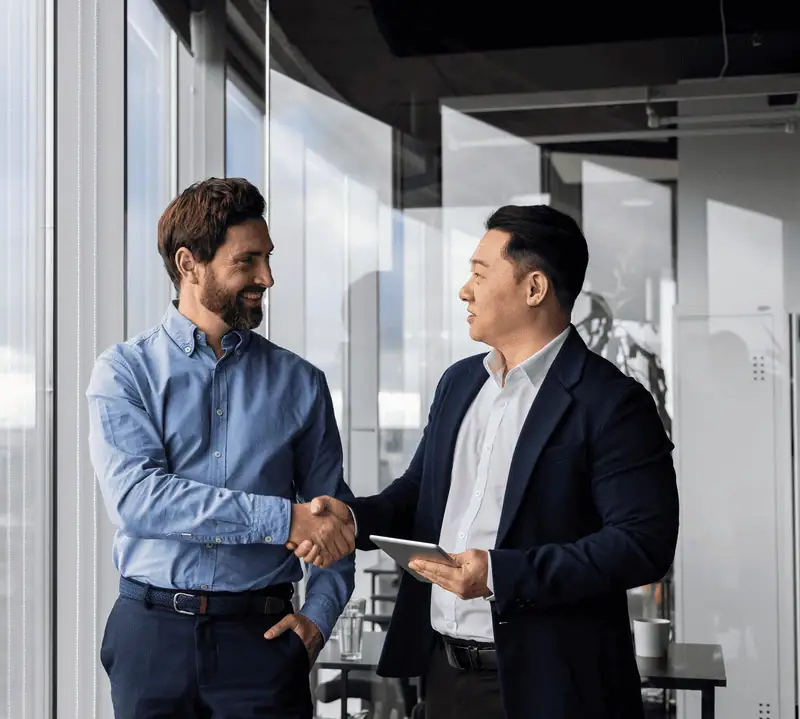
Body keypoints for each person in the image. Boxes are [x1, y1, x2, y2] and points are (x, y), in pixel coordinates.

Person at [292, 205, 679, 719]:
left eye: (479, 274)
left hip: (554, 686)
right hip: (444, 675)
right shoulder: (459, 383)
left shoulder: (612, 402)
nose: (464, 291)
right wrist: (353, 518)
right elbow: (417, 496)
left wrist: (500, 573)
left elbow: (641, 545)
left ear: (534, 288)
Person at [87, 178, 356, 719]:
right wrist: (283, 520)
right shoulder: (123, 372)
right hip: (151, 639)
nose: (267, 278)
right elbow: (139, 499)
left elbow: (332, 521)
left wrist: (318, 620)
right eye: (247, 261)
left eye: (268, 259)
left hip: (263, 640)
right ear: (189, 264)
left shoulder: (301, 383)